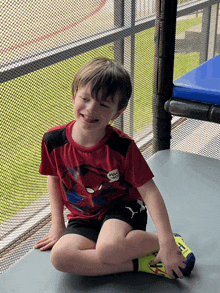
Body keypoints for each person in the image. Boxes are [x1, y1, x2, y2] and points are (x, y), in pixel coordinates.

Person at [34, 57, 195, 279]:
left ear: (117, 113)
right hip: (83, 217)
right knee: (61, 257)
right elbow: (53, 179)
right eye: (85, 98)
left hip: (123, 209)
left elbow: (150, 192)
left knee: (109, 249)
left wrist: (166, 241)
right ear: (74, 96)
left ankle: (167, 242)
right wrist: (57, 226)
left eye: (103, 104)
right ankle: (142, 263)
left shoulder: (122, 146)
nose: (91, 109)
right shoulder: (53, 140)